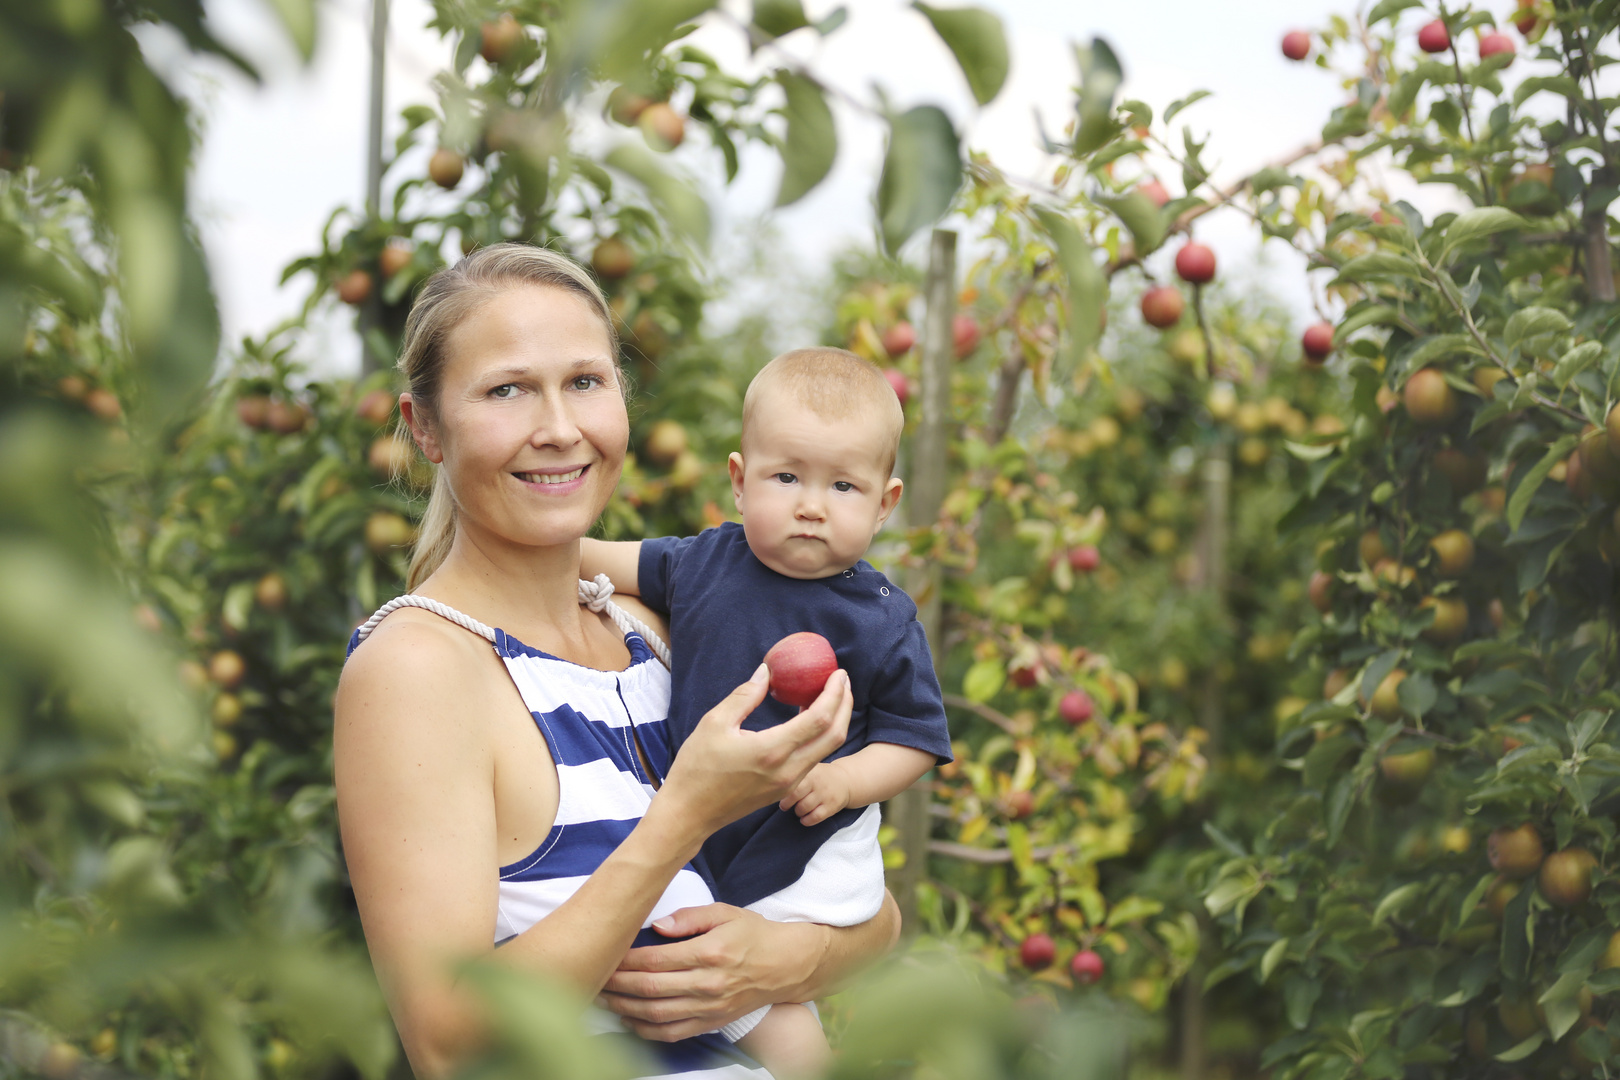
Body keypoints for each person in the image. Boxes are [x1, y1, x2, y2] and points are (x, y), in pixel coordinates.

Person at [333, 245, 901, 1080]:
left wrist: (770, 962)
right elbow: (447, 1040)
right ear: (425, 430)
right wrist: (685, 814)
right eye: (507, 389)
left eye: (586, 383)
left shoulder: (660, 633)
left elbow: (875, 917)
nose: (559, 427)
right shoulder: (420, 668)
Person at [582, 347, 953, 1076]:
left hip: (802, 846)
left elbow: (915, 737)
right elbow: (593, 556)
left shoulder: (882, 619)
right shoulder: (704, 562)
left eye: (844, 486)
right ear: (739, 480)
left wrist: (846, 784)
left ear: (885, 503)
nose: (812, 505)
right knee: (666, 964)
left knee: (777, 1012)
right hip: (699, 827)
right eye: (787, 477)